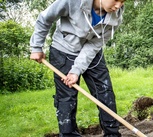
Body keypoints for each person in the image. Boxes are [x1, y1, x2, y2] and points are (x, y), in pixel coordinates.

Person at [30, 0, 125, 136]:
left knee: (105, 92)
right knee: (66, 98)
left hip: (92, 52)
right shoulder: (72, 1)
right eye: (116, 0)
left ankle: (112, 134)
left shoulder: (116, 15)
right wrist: (36, 46)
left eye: (123, 1)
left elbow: (94, 45)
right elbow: (45, 18)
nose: (118, 5)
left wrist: (77, 69)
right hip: (63, 50)